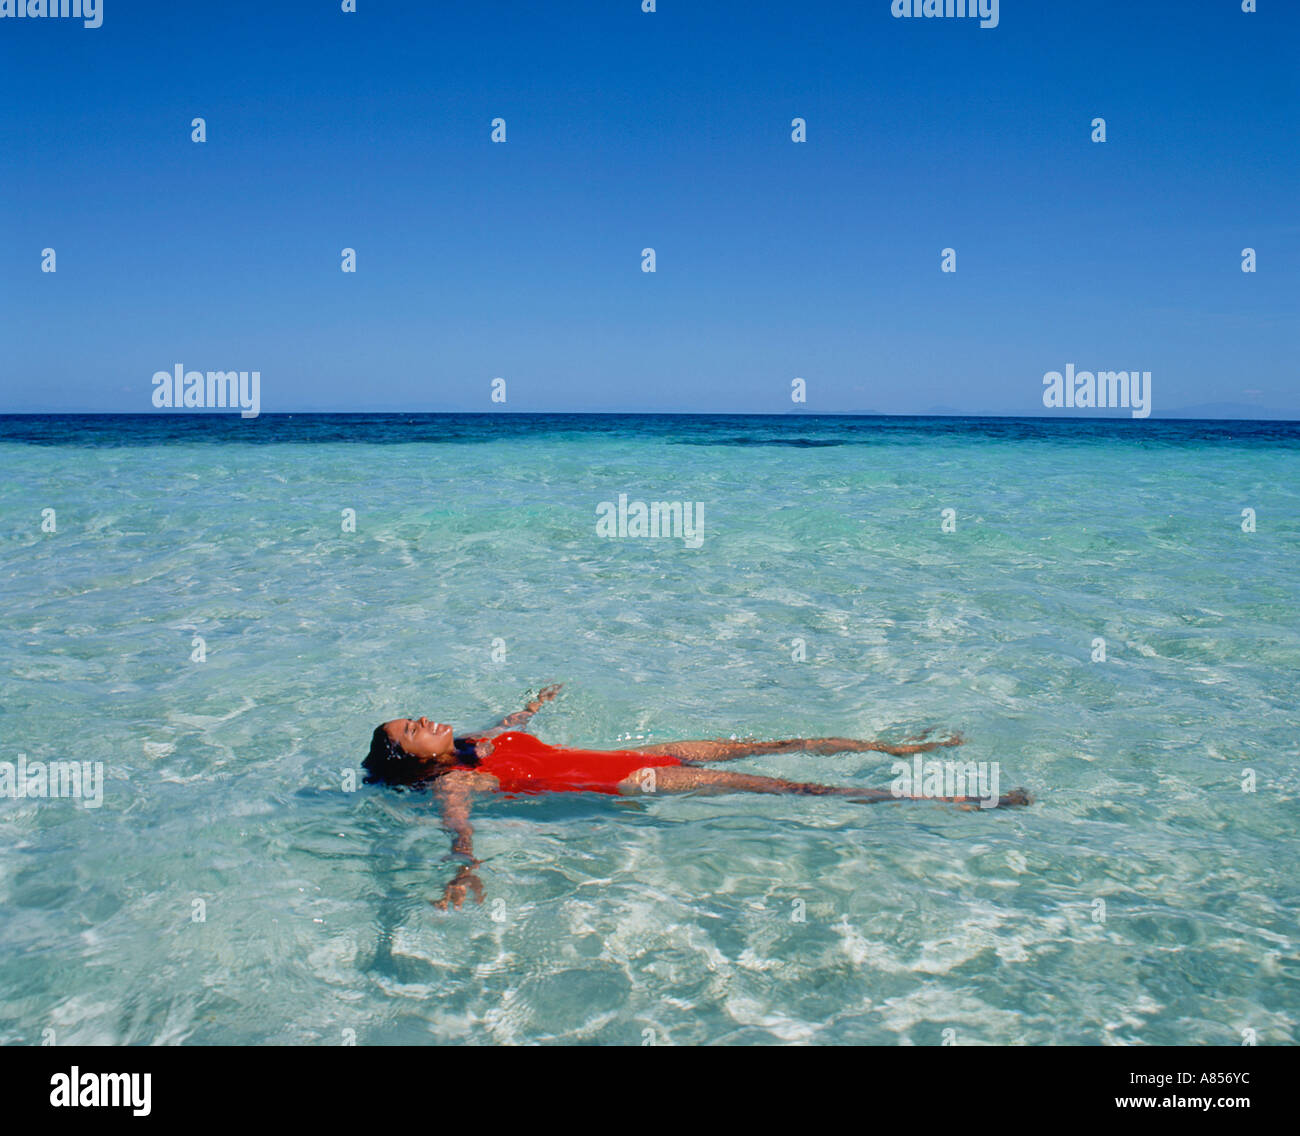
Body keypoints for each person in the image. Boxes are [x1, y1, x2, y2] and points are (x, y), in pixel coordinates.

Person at [364, 684, 1030, 909]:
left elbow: (513, 730)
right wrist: (464, 871)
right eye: (411, 730)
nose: (423, 720)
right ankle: (949, 804)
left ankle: (897, 752)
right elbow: (460, 826)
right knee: (782, 786)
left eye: (416, 716)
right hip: (632, 781)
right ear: (411, 761)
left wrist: (532, 705)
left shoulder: (476, 743)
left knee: (767, 744)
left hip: (644, 752)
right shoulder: (456, 780)